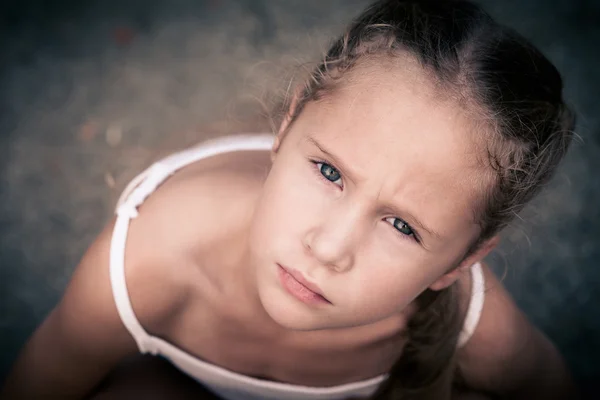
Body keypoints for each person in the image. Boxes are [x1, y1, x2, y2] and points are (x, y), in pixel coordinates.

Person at [1, 0, 578, 399]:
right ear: (289, 120)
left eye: (403, 227)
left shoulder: (480, 329)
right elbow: (41, 384)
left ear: (462, 262)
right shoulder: (150, 260)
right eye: (329, 171)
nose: (328, 247)